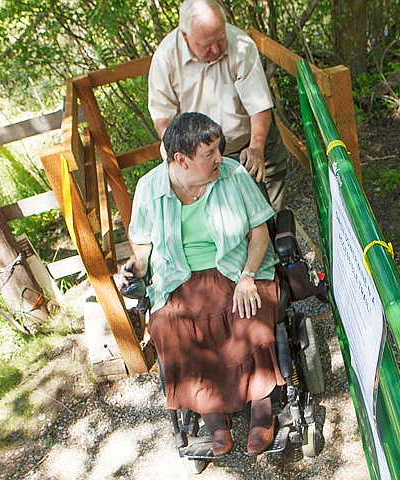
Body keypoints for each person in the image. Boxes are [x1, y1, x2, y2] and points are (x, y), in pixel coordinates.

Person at [121, 112, 284, 456]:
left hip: (236, 269)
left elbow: (259, 231)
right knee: (169, 326)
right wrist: (136, 265)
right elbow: (143, 245)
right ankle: (214, 419)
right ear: (181, 160)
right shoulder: (150, 188)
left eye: (217, 150)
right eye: (208, 154)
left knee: (249, 316)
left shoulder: (233, 175)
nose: (218, 159)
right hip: (179, 277)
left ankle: (262, 412)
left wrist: (248, 276)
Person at [148, 0, 288, 211]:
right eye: (206, 45)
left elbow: (259, 105)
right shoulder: (165, 57)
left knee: (270, 214)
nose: (215, 48)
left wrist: (256, 147)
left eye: (220, 39)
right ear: (186, 37)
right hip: (199, 157)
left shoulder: (241, 44)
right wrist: (185, 155)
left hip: (250, 142)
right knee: (222, 216)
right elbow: (162, 117)